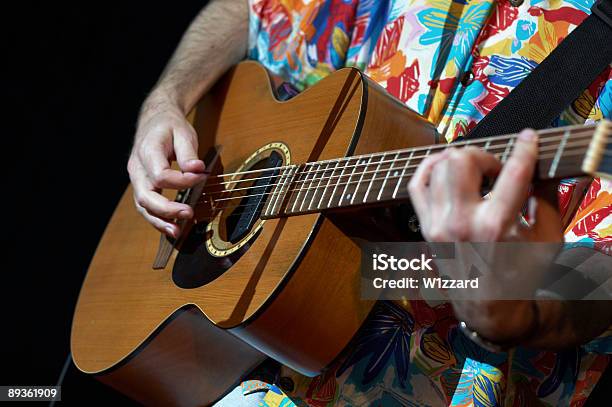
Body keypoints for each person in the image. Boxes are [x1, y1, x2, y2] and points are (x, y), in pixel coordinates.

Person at [127, 0, 612, 405]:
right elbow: (252, 9)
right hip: (233, 368)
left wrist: (520, 312)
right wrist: (166, 101)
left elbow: (602, 271)